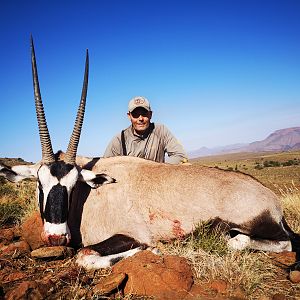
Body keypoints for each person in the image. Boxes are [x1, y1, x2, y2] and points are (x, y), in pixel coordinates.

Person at [103, 96, 188, 164]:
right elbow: (105, 166)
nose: (140, 118)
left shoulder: (161, 130)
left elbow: (180, 156)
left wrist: (159, 171)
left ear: (150, 114)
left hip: (158, 180)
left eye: (144, 114)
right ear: (129, 116)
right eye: (135, 114)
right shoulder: (119, 140)